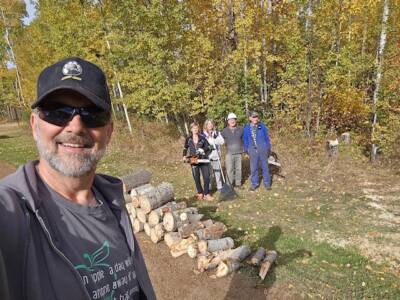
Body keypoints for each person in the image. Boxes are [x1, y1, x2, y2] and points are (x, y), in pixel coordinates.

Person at [0, 57, 156, 300]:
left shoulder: (112, 200)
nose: (75, 126)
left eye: (92, 114)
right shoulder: (12, 212)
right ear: (34, 125)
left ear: (109, 131)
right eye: (58, 112)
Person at [182, 122, 214, 201]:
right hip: (193, 158)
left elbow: (210, 147)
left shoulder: (203, 137)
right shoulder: (188, 138)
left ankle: (206, 194)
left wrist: (203, 149)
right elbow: (185, 148)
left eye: (196, 127)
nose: (195, 129)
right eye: (193, 128)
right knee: (196, 177)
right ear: (191, 129)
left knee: (206, 177)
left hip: (203, 158)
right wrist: (184, 156)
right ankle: (200, 192)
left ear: (198, 128)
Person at [243, 111, 272, 191]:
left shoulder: (262, 126)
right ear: (250, 118)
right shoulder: (246, 128)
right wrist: (246, 150)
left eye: (256, 117)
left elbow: (267, 138)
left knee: (265, 167)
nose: (255, 118)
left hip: (263, 149)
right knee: (253, 168)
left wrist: (268, 148)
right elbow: (245, 140)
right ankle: (254, 184)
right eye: (253, 117)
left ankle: (267, 184)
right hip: (252, 150)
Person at [221, 113, 244, 188]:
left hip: (239, 152)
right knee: (229, 169)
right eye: (230, 120)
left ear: (236, 120)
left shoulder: (241, 129)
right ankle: (229, 184)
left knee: (238, 169)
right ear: (228, 121)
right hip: (229, 153)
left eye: (233, 119)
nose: (232, 121)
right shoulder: (224, 131)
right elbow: (219, 140)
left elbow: (244, 139)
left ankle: (238, 183)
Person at [203, 119, 225, 192]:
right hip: (208, 157)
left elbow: (222, 142)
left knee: (218, 172)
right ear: (206, 125)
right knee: (209, 174)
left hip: (216, 156)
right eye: (208, 124)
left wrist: (215, 140)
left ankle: (219, 187)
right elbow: (204, 146)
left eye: (211, 124)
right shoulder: (203, 134)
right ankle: (209, 188)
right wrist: (211, 145)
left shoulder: (217, 133)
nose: (210, 125)